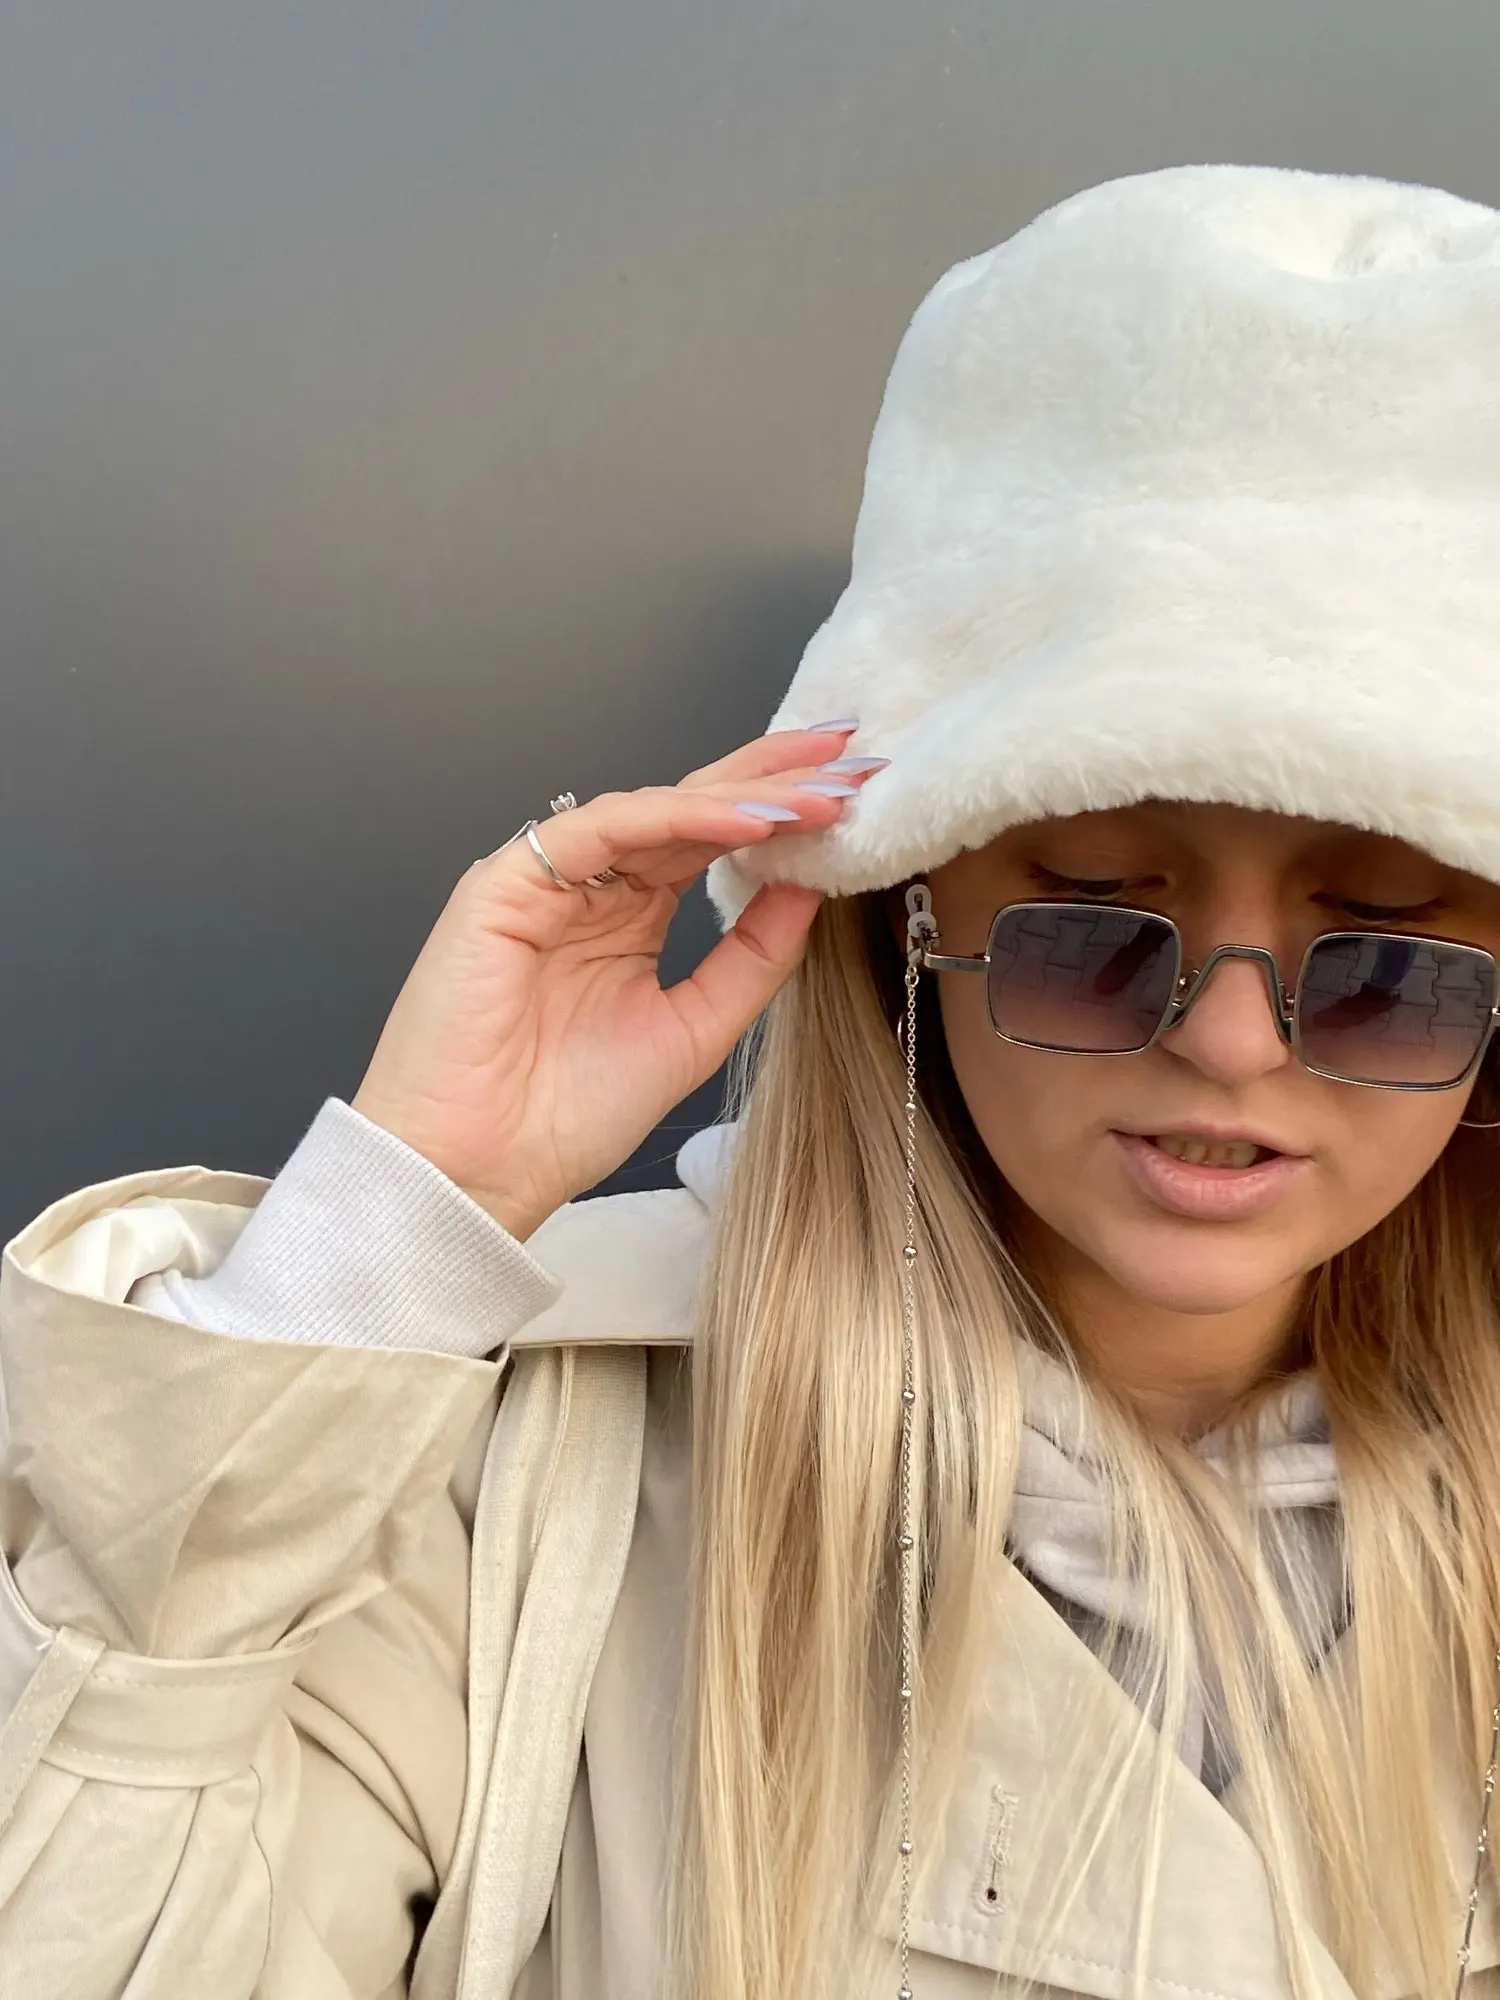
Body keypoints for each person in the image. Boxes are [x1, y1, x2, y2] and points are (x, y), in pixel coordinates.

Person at [2, 161, 1499, 2000]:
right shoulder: (509, 1480)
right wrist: (389, 1236)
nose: (1233, 1042)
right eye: (1095, 917)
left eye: (1392, 961)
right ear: (906, 914)